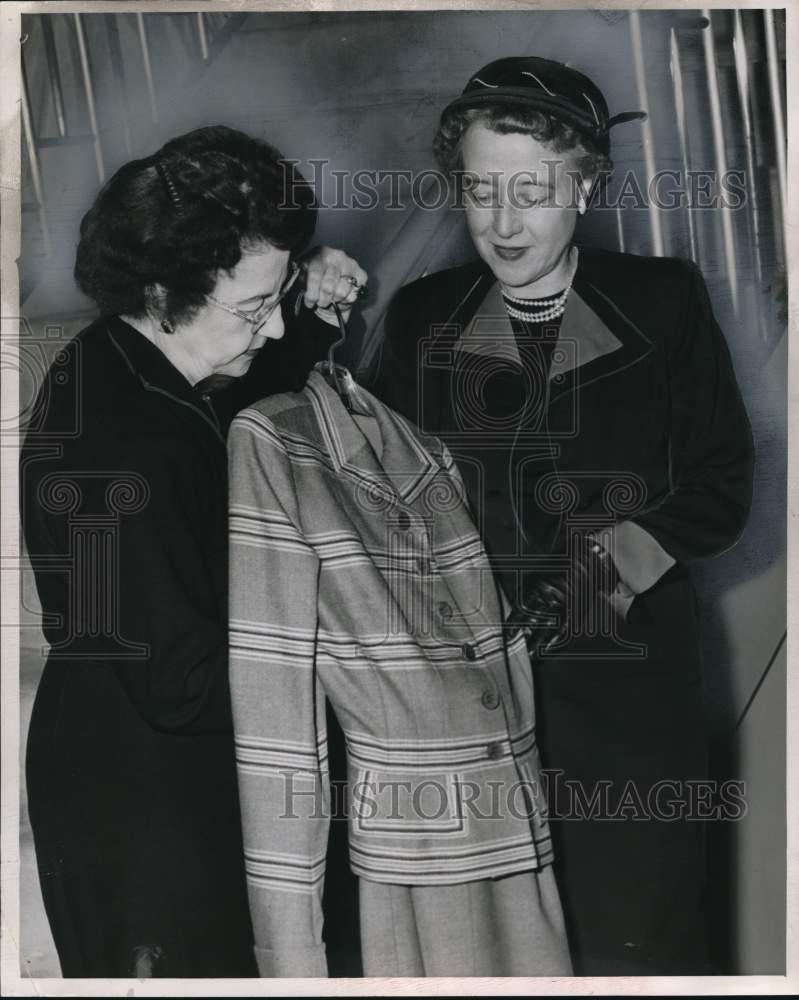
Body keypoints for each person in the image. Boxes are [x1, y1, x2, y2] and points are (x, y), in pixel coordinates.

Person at [371, 57, 754, 975]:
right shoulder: (424, 315)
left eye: (532, 193)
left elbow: (718, 482)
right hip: (473, 704)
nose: (502, 223)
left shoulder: (662, 301)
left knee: (640, 941)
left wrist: (599, 576)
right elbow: (379, 496)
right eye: (479, 190)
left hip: (625, 696)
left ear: (583, 186)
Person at [20, 124, 367, 978]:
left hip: (155, 753)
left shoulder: (128, 358)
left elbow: (228, 387)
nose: (272, 324)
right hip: (142, 800)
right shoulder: (123, 449)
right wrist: (360, 667)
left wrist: (300, 298)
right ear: (163, 291)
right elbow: (182, 681)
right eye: (255, 307)